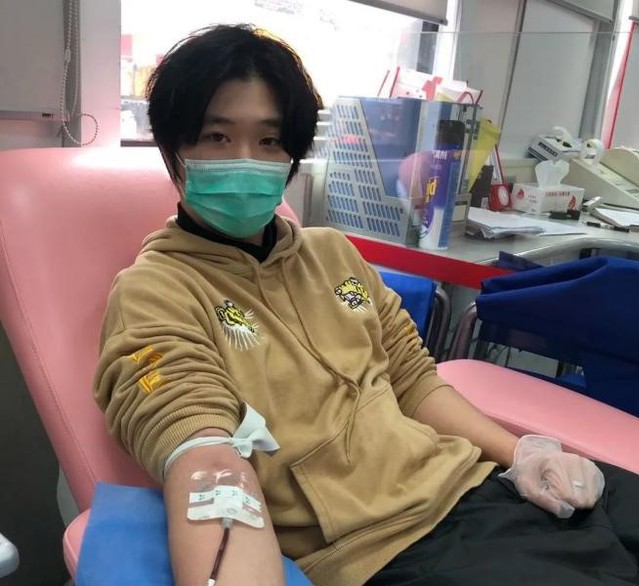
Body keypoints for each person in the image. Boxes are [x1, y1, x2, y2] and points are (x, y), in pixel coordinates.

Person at [93, 24, 639, 586]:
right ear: (173, 150)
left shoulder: (332, 254)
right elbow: (203, 455)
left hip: (476, 484)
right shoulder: (157, 291)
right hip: (389, 548)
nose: (246, 159)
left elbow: (414, 380)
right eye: (216, 136)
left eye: (270, 141)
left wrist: (524, 454)